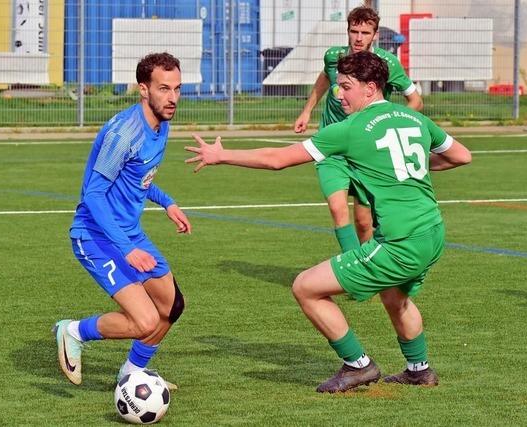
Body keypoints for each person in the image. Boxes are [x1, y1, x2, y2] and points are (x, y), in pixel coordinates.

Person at [185, 51, 471, 393]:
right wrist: (411, 170)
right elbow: (461, 155)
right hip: (433, 234)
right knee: (397, 297)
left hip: (400, 242)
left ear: (370, 88)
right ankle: (419, 370)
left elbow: (278, 159)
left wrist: (222, 155)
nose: (338, 94)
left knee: (305, 287)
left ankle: (358, 365)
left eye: (346, 87)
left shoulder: (350, 129)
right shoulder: (412, 118)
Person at [54, 52, 190, 388]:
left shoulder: (162, 124)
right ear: (143, 90)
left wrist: (167, 202)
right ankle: (72, 331)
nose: (172, 98)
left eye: (177, 88)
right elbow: (94, 195)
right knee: (144, 321)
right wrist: (127, 249)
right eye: (163, 89)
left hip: (129, 234)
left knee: (172, 305)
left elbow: (138, 176)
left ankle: (132, 372)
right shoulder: (124, 133)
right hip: (95, 236)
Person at [294, 6, 423, 254]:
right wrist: (307, 110)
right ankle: (352, 268)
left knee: (364, 223)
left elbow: (415, 100)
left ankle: (369, 268)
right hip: (333, 148)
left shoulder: (386, 63)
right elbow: (325, 78)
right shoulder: (334, 57)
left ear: (375, 34)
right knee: (337, 208)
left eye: (366, 32)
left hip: (366, 150)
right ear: (348, 31)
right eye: (354, 31)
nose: (359, 37)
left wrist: (394, 122)